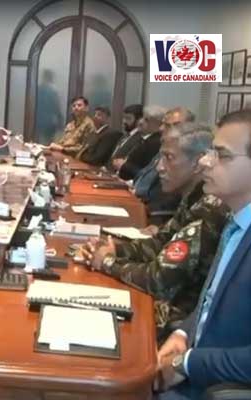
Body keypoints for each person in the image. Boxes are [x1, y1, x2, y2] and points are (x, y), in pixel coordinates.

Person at [81, 123, 227, 340]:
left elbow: (159, 279)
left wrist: (108, 262)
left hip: (177, 326)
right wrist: (116, 250)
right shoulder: (194, 197)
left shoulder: (211, 208)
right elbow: (160, 242)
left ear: (197, 163)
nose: (159, 167)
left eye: (168, 158)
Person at [156, 110, 251, 399]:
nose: (205, 162)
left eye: (221, 155)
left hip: (212, 387)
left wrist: (186, 363)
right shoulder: (235, 222)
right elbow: (211, 301)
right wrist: (183, 333)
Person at [133, 107, 195, 217]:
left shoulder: (188, 154)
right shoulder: (162, 147)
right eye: (164, 124)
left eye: (170, 125)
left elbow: (170, 200)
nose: (161, 128)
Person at [114, 105, 166, 180]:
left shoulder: (156, 143)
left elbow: (147, 173)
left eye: (146, 120)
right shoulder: (144, 139)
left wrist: (124, 166)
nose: (140, 122)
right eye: (142, 118)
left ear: (158, 123)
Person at [108, 103, 145, 169]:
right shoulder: (125, 136)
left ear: (139, 120)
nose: (124, 121)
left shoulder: (139, 139)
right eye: (124, 118)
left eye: (128, 118)